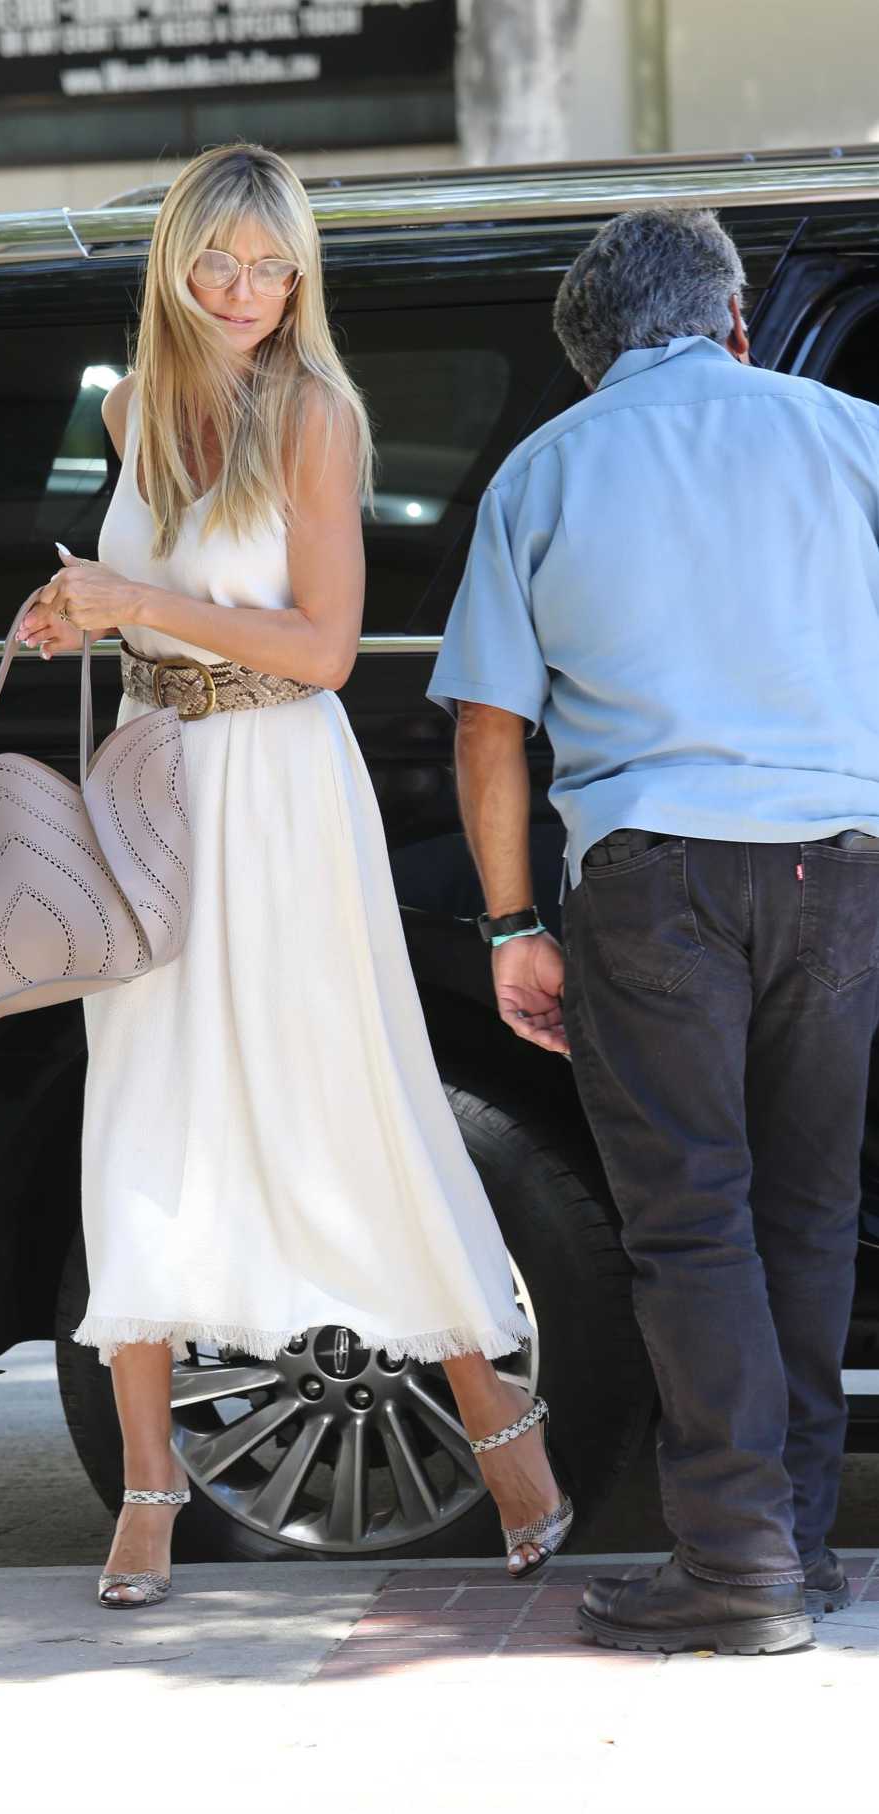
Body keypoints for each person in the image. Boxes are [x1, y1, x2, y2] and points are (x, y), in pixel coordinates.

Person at [17, 143, 572, 1608]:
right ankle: (148, 1483)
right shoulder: (131, 406)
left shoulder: (313, 412)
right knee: (141, 1114)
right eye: (220, 261)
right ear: (173, 266)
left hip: (278, 784)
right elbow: (156, 607)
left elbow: (323, 648)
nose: (248, 291)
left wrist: (142, 597)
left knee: (350, 1097)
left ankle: (502, 1429)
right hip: (154, 782)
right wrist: (85, 616)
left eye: (274, 265)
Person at [430, 204, 879, 1656]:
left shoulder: (545, 468)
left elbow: (490, 725)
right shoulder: (849, 434)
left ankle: (735, 1561)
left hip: (651, 882)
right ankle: (794, 1548)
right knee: (803, 1216)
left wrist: (511, 921)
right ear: (734, 318)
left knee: (693, 1223)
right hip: (841, 868)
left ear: (586, 361)